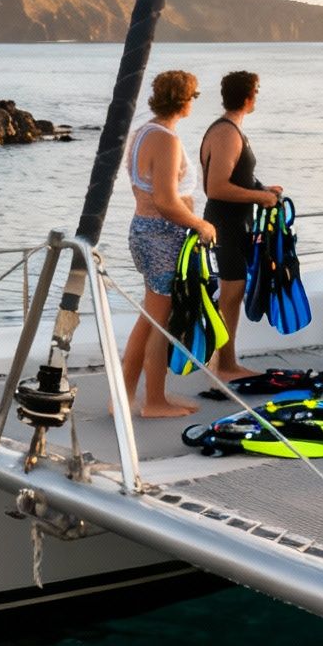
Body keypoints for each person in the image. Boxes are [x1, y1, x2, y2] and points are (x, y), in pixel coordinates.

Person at [119, 69, 216, 419]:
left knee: (149, 319)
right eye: (194, 96)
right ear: (183, 99)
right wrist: (200, 224)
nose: (194, 103)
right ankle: (153, 401)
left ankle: (126, 398)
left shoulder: (144, 132)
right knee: (158, 321)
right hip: (161, 236)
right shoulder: (165, 139)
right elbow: (164, 200)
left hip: (146, 232)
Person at [200, 70, 284, 380]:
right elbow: (216, 187)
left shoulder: (232, 130)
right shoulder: (226, 133)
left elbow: (239, 178)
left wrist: (264, 191)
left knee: (233, 294)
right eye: (256, 92)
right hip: (224, 224)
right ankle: (224, 365)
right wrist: (258, 197)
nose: (257, 97)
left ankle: (224, 361)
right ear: (249, 98)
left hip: (236, 223)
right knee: (231, 294)